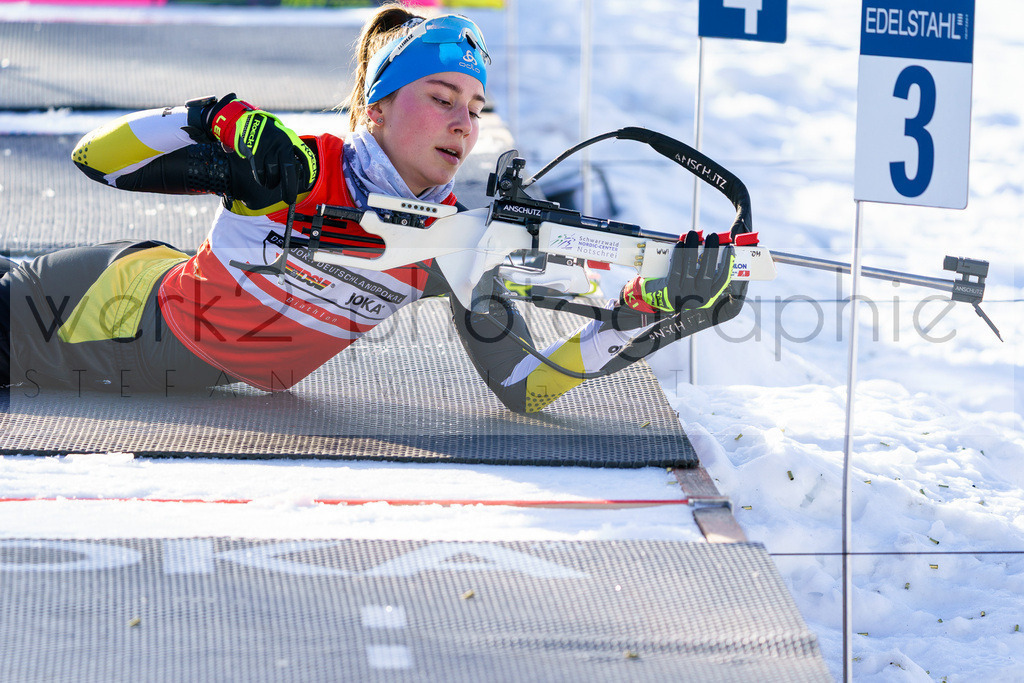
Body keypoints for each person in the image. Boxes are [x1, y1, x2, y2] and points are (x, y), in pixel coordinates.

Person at [0, 3, 735, 413]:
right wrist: (208, 119)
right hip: (58, 316)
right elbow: (95, 158)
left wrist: (645, 317)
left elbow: (525, 384)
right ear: (377, 109)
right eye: (441, 98)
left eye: (475, 107)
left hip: (128, 371)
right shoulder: (295, 165)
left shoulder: (453, 242)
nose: (463, 123)